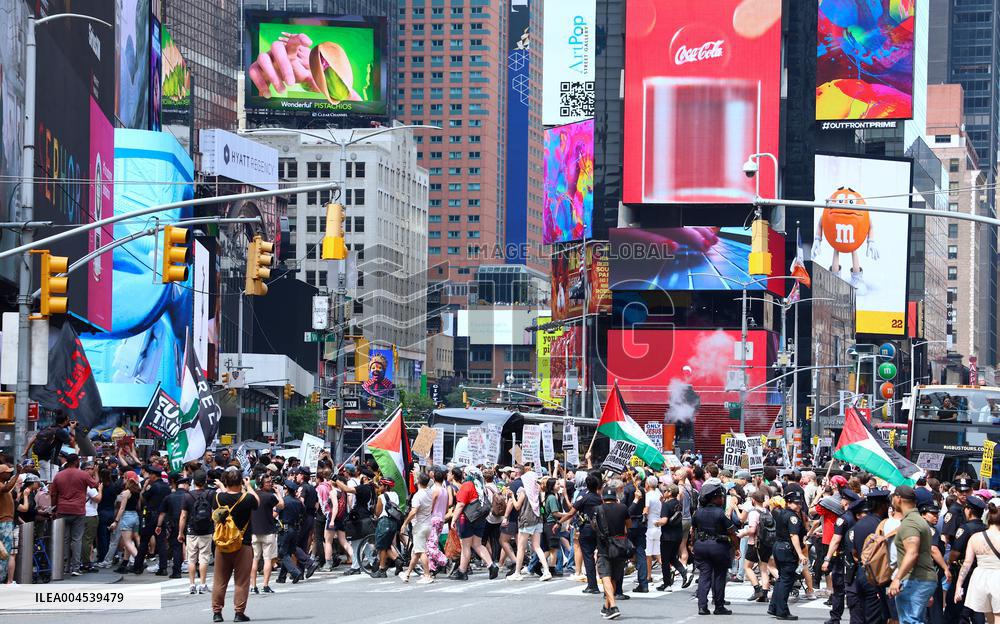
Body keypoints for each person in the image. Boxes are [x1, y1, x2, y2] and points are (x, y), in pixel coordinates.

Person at [210, 468, 260, 623]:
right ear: (240, 482)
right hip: (242, 543)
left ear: (225, 482)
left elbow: (225, 498)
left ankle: (217, 612)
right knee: (241, 581)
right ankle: (239, 613)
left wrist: (221, 487)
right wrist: (249, 486)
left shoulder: (217, 497)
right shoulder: (247, 498)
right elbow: (257, 502)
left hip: (222, 543)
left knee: (220, 580)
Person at [889, 485, 938, 624]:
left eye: (893, 497)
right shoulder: (915, 520)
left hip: (914, 579)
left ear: (898, 498)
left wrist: (897, 578)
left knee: (910, 621)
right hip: (920, 579)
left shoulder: (910, 522)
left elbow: (912, 552)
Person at [691, 481, 737, 615]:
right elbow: (731, 533)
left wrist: (693, 544)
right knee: (719, 576)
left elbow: (693, 531)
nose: (722, 499)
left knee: (704, 576)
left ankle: (702, 606)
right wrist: (736, 548)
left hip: (701, 546)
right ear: (714, 498)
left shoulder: (698, 512)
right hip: (718, 546)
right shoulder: (720, 513)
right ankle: (719, 606)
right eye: (720, 497)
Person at [49, 453, 98, 576]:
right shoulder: (83, 474)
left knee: (64, 539)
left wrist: (53, 508)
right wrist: (96, 472)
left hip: (62, 509)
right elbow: (95, 484)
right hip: (78, 510)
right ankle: (75, 567)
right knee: (77, 539)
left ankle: (65, 566)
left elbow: (53, 494)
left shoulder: (59, 475)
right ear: (76, 462)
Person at [954, 500, 1000, 623]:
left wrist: (958, 586)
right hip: (998, 577)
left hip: (980, 578)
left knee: (989, 616)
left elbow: (967, 563)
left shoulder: (975, 538)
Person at [947, 495, 989, 624]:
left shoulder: (965, 528)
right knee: (978, 607)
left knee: (958, 606)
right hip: (981, 572)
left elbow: (955, 553)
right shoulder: (985, 528)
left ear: (968, 510)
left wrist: (949, 562)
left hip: (964, 572)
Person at [560, 472, 603, 594]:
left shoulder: (584, 497)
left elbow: (571, 512)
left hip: (587, 529)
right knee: (600, 555)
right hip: (600, 529)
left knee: (588, 556)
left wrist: (559, 522)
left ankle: (592, 585)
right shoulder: (600, 498)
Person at [452, 466, 498, 580]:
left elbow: (460, 504)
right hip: (480, 518)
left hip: (467, 518)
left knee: (466, 546)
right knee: (477, 544)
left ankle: (462, 571)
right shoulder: (481, 485)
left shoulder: (467, 485)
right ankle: (491, 565)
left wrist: (453, 519)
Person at [507, 466, 550, 582]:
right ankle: (546, 571)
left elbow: (517, 506)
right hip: (537, 519)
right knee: (537, 547)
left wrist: (512, 496)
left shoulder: (523, 491)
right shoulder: (536, 491)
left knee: (521, 548)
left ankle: (517, 573)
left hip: (526, 520)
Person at [770, 492, 807, 621]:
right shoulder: (792, 517)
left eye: (800, 503)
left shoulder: (781, 513)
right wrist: (800, 553)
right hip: (787, 549)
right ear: (788, 503)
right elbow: (793, 535)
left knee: (781, 579)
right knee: (786, 581)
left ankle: (774, 607)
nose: (799, 505)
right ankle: (782, 611)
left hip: (779, 546)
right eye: (796, 503)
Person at [595, 484, 630, 620]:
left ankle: (614, 606)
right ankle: (607, 607)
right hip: (619, 546)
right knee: (614, 578)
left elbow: (594, 527)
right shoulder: (623, 508)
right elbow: (629, 525)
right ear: (615, 497)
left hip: (604, 547)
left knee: (605, 577)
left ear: (603, 498)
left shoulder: (598, 509)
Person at [823, 490, 857, 624]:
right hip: (855, 557)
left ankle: (835, 617)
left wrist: (827, 558)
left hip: (842, 557)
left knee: (838, 589)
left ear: (846, 502)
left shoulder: (842, 519)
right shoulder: (857, 517)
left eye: (842, 499)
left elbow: (836, 540)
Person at [179, 470, 214, 594]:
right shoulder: (210, 494)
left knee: (192, 559)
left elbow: (183, 516)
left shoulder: (187, 496)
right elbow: (215, 512)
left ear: (193, 481)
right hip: (207, 530)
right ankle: (203, 584)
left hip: (191, 530)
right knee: (204, 558)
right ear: (205, 481)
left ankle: (192, 584)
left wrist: (180, 532)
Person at [250, 473, 284, 594]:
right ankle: (265, 585)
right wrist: (278, 493)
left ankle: (253, 586)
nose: (270, 483)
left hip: (254, 531)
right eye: (268, 482)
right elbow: (281, 505)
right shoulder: (270, 496)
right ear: (262, 484)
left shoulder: (252, 496)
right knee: (267, 559)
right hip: (268, 531)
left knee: (255, 559)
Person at [135, 464, 170, 575]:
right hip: (162, 516)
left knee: (144, 541)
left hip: (151, 517)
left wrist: (144, 487)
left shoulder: (153, 487)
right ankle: (163, 568)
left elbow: (143, 498)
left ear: (154, 475)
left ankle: (138, 566)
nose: (149, 477)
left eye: (150, 475)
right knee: (161, 543)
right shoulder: (167, 487)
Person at [400, 472, 435, 584]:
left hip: (419, 526)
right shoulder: (430, 492)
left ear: (418, 482)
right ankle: (407, 573)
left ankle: (427, 575)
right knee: (417, 551)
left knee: (421, 551)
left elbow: (413, 511)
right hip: (427, 524)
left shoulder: (418, 495)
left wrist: (405, 523)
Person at [739, 489, 772, 603]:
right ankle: (764, 594)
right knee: (764, 569)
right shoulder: (767, 512)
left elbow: (752, 530)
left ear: (753, 500)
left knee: (747, 567)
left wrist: (743, 533)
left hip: (755, 543)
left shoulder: (753, 513)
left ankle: (757, 589)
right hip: (767, 544)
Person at [155, 473, 189, 579]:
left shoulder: (169, 497)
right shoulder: (190, 496)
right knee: (193, 548)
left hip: (174, 525)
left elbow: (162, 513)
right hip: (189, 524)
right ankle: (197, 570)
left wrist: (158, 525)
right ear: (185, 485)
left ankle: (176, 572)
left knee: (176, 548)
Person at [0, 464, 16, 583]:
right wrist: (18, 474)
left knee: (4, 554)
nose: (10, 474)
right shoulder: (2, 486)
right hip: (4, 523)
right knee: (4, 554)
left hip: (6, 522)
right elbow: (6, 488)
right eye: (8, 472)